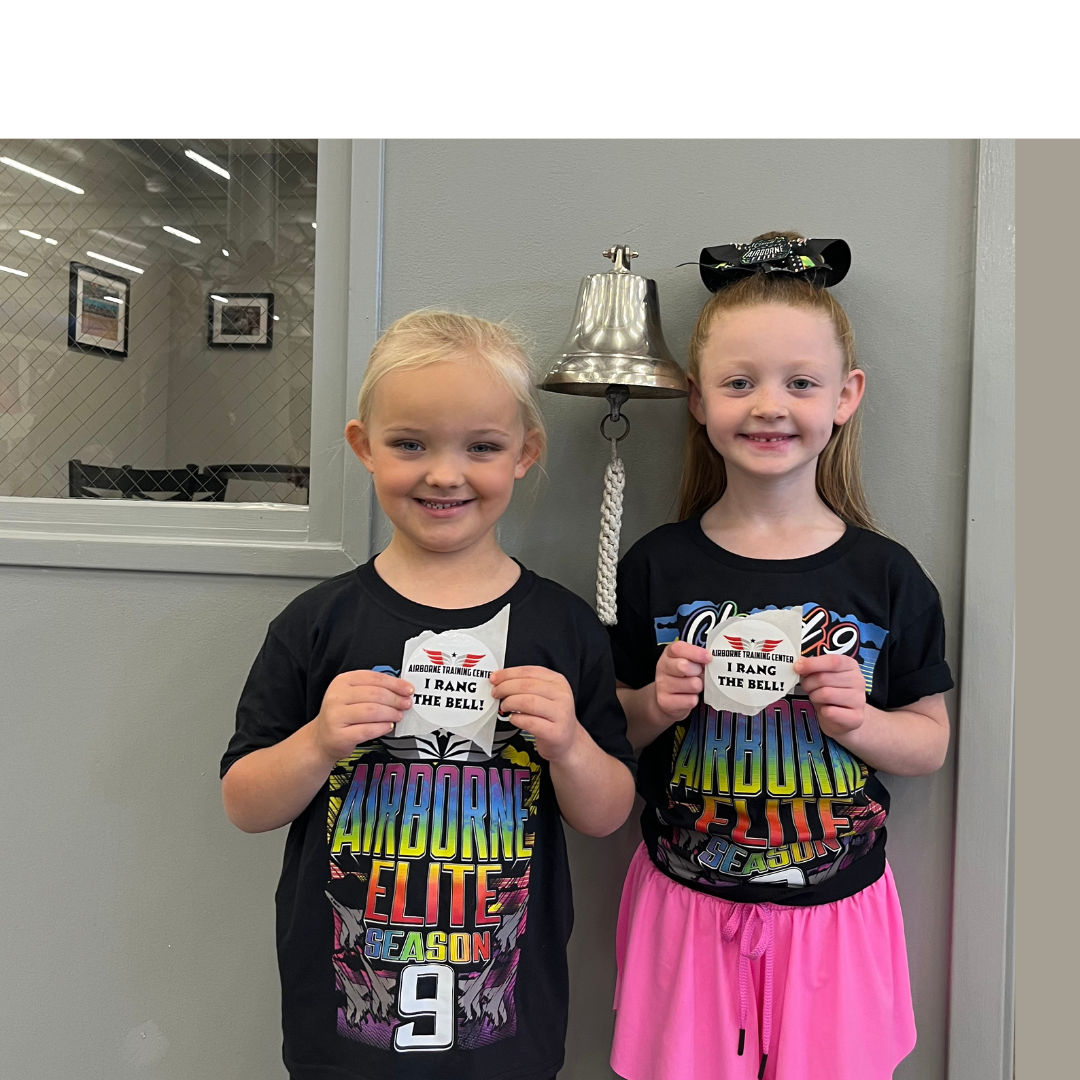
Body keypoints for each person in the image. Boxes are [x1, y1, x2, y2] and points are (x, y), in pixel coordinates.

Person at [221, 310, 637, 1080]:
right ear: (363, 447)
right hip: (347, 1022)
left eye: (481, 446)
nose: (444, 474)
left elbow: (608, 813)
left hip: (504, 1022)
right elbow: (244, 803)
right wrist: (317, 742)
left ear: (525, 454)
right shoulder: (318, 623)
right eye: (410, 444)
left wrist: (571, 744)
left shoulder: (562, 626)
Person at [607, 233, 953, 1080]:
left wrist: (861, 721)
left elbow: (931, 743)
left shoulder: (886, 573)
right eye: (739, 382)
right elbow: (612, 725)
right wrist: (658, 702)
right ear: (698, 400)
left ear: (846, 396)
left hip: (838, 912)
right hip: (685, 904)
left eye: (801, 382)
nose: (770, 405)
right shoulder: (656, 564)